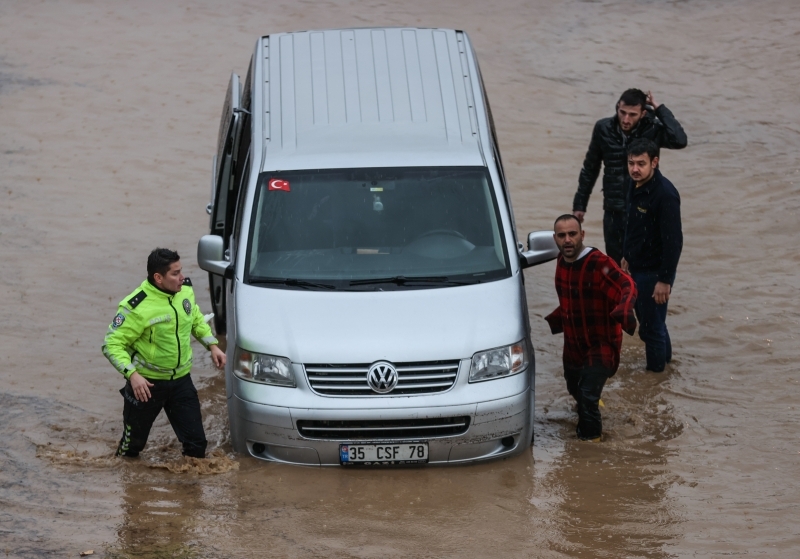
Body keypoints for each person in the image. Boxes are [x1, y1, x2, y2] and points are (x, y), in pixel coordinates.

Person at [102, 248, 226, 458]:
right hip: (146, 386)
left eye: (181, 271)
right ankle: (127, 487)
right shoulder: (136, 306)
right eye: (175, 274)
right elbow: (111, 344)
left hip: (181, 382)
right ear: (158, 277)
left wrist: (212, 345)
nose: (182, 277)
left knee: (197, 446)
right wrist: (133, 375)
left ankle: (188, 490)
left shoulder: (184, 290)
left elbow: (194, 317)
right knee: (131, 450)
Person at [545, 215, 637, 441]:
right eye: (562, 235)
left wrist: (625, 309)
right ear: (554, 238)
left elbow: (627, 284)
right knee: (574, 388)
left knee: (586, 397)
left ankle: (591, 449)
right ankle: (593, 404)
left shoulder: (599, 263)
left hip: (601, 342)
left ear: (582, 235)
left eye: (572, 234)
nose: (567, 240)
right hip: (574, 342)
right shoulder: (560, 261)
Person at [572, 89, 687, 263]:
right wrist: (580, 205)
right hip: (614, 208)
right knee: (615, 266)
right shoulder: (603, 128)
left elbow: (680, 140)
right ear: (617, 107)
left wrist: (660, 109)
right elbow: (590, 168)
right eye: (622, 112)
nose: (626, 119)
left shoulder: (653, 129)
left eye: (633, 115)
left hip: (645, 207)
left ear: (643, 113)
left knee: (642, 264)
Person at [621, 139, 683, 373]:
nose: (635, 169)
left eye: (641, 164)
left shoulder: (665, 195)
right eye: (631, 163)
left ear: (654, 162)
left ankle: (655, 378)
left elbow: (674, 241)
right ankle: (666, 366)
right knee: (652, 325)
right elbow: (633, 225)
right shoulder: (634, 184)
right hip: (636, 266)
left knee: (651, 329)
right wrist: (627, 254)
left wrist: (665, 280)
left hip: (654, 272)